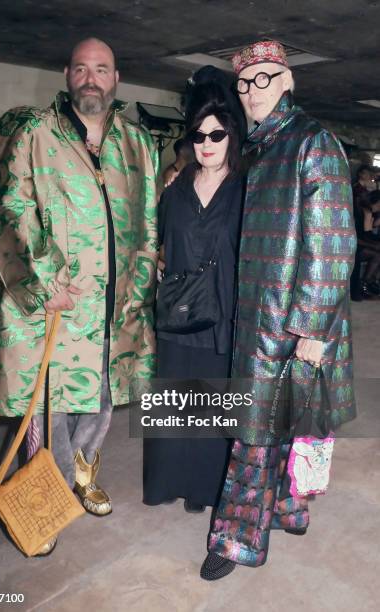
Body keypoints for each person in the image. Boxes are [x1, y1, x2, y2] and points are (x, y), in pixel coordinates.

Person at [0, 37, 158, 554]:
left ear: (116, 78)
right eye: (81, 69)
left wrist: (136, 294)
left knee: (98, 401)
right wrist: (42, 281)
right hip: (56, 305)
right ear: (67, 75)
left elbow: (147, 224)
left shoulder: (139, 143)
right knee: (48, 406)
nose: (91, 78)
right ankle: (40, 502)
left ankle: (82, 473)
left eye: (101, 69)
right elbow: (5, 206)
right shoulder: (34, 132)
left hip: (111, 308)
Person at [200, 40, 356, 580]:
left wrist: (313, 330)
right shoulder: (260, 146)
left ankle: (237, 539)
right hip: (258, 318)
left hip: (292, 325)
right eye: (244, 83)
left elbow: (334, 243)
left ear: (288, 81)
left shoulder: (313, 142)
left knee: (255, 433)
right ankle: (288, 508)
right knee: (282, 424)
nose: (251, 92)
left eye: (264, 78)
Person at [143, 77, 245, 512]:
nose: (207, 143)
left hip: (221, 316)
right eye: (199, 135)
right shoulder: (177, 189)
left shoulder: (247, 190)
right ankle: (170, 483)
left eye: (217, 134)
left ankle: (205, 490)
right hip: (178, 315)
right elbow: (158, 242)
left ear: (232, 136)